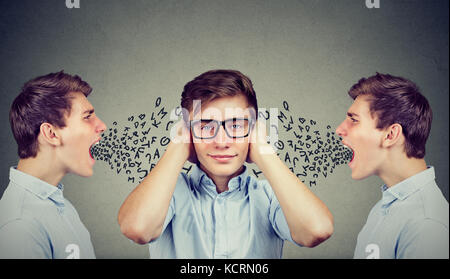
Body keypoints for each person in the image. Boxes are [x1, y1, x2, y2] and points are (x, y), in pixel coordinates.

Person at [118, 69, 333, 258]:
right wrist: (177, 147)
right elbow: (138, 229)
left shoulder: (271, 196)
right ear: (187, 132)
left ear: (254, 130)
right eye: (205, 126)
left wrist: (264, 151)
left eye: (237, 125)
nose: (221, 142)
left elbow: (316, 231)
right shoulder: (168, 193)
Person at [335, 73, 449, 259]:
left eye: (354, 119)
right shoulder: (384, 208)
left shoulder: (427, 225)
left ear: (390, 135)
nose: (339, 129)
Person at [0, 71, 107, 259]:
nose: (102, 126)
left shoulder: (60, 205)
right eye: (87, 116)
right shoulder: (19, 226)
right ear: (51, 133)